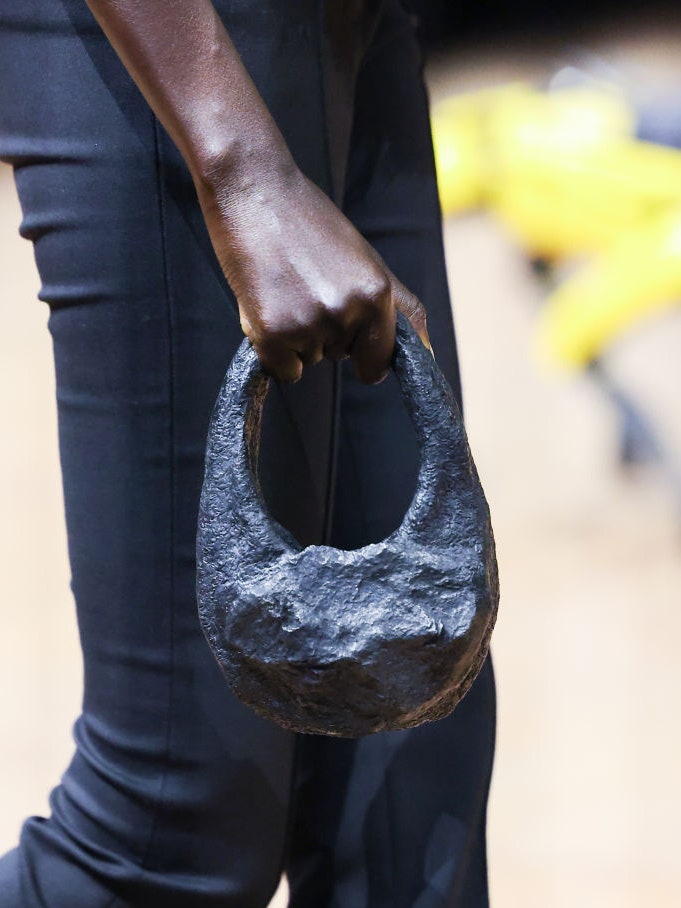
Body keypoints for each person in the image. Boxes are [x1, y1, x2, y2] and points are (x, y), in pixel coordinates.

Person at [0, 0, 496, 905]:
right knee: (167, 838)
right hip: (182, 54)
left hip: (352, 31)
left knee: (410, 783)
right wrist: (242, 167)